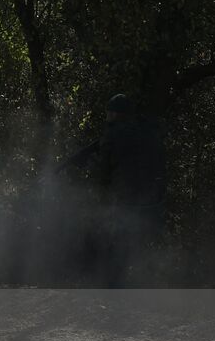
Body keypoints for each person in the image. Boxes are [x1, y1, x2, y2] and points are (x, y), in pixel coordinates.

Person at [62, 93, 168, 285]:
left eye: (110, 113)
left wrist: (97, 194)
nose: (107, 116)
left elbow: (104, 174)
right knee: (124, 248)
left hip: (122, 202)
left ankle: (92, 285)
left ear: (117, 114)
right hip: (148, 203)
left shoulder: (112, 136)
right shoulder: (147, 132)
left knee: (99, 241)